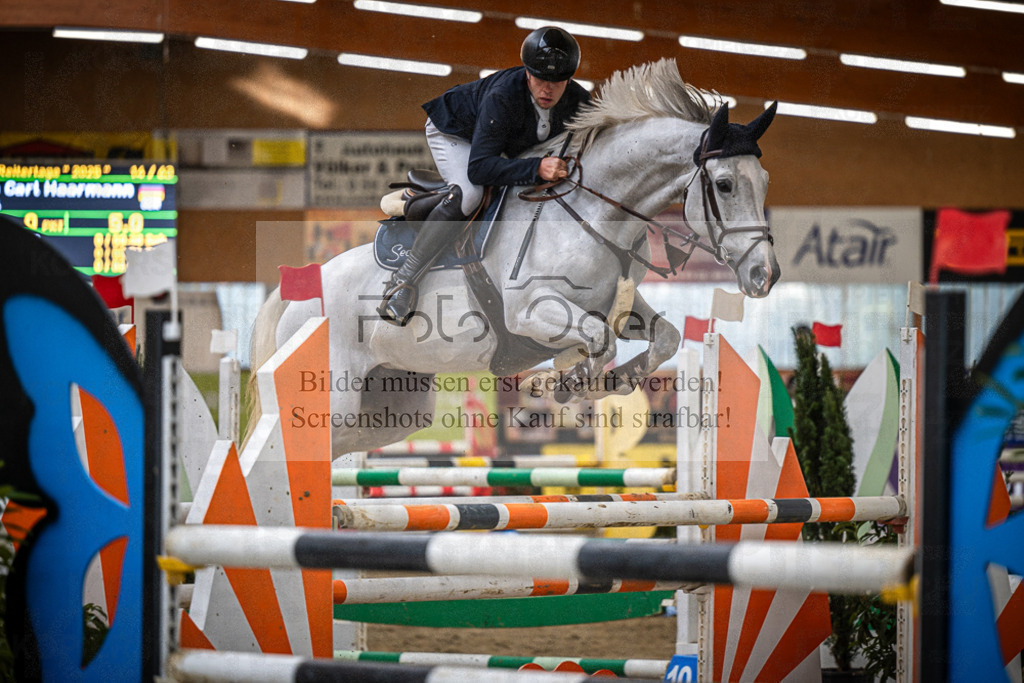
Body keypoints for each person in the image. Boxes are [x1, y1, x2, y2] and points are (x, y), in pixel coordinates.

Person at [379, 25, 591, 325]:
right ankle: (402, 281)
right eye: (541, 79)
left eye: (557, 81)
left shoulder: (579, 100)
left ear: (568, 79)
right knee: (471, 193)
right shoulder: (503, 96)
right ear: (527, 73)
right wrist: (535, 169)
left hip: (496, 142)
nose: (548, 89)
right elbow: (479, 168)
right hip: (454, 131)